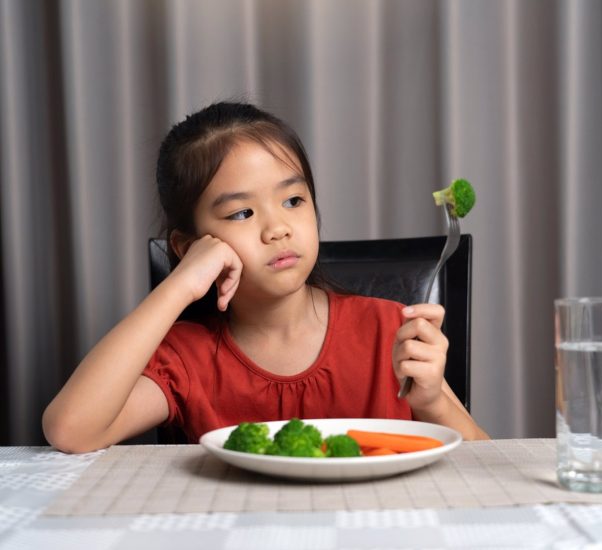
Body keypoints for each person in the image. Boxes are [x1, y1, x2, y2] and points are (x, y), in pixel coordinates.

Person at [42, 101, 489, 453]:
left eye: (293, 200)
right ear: (189, 246)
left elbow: (484, 466)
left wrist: (430, 401)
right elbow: (71, 430)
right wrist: (179, 284)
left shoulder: (387, 328)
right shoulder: (187, 358)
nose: (278, 228)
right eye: (241, 212)